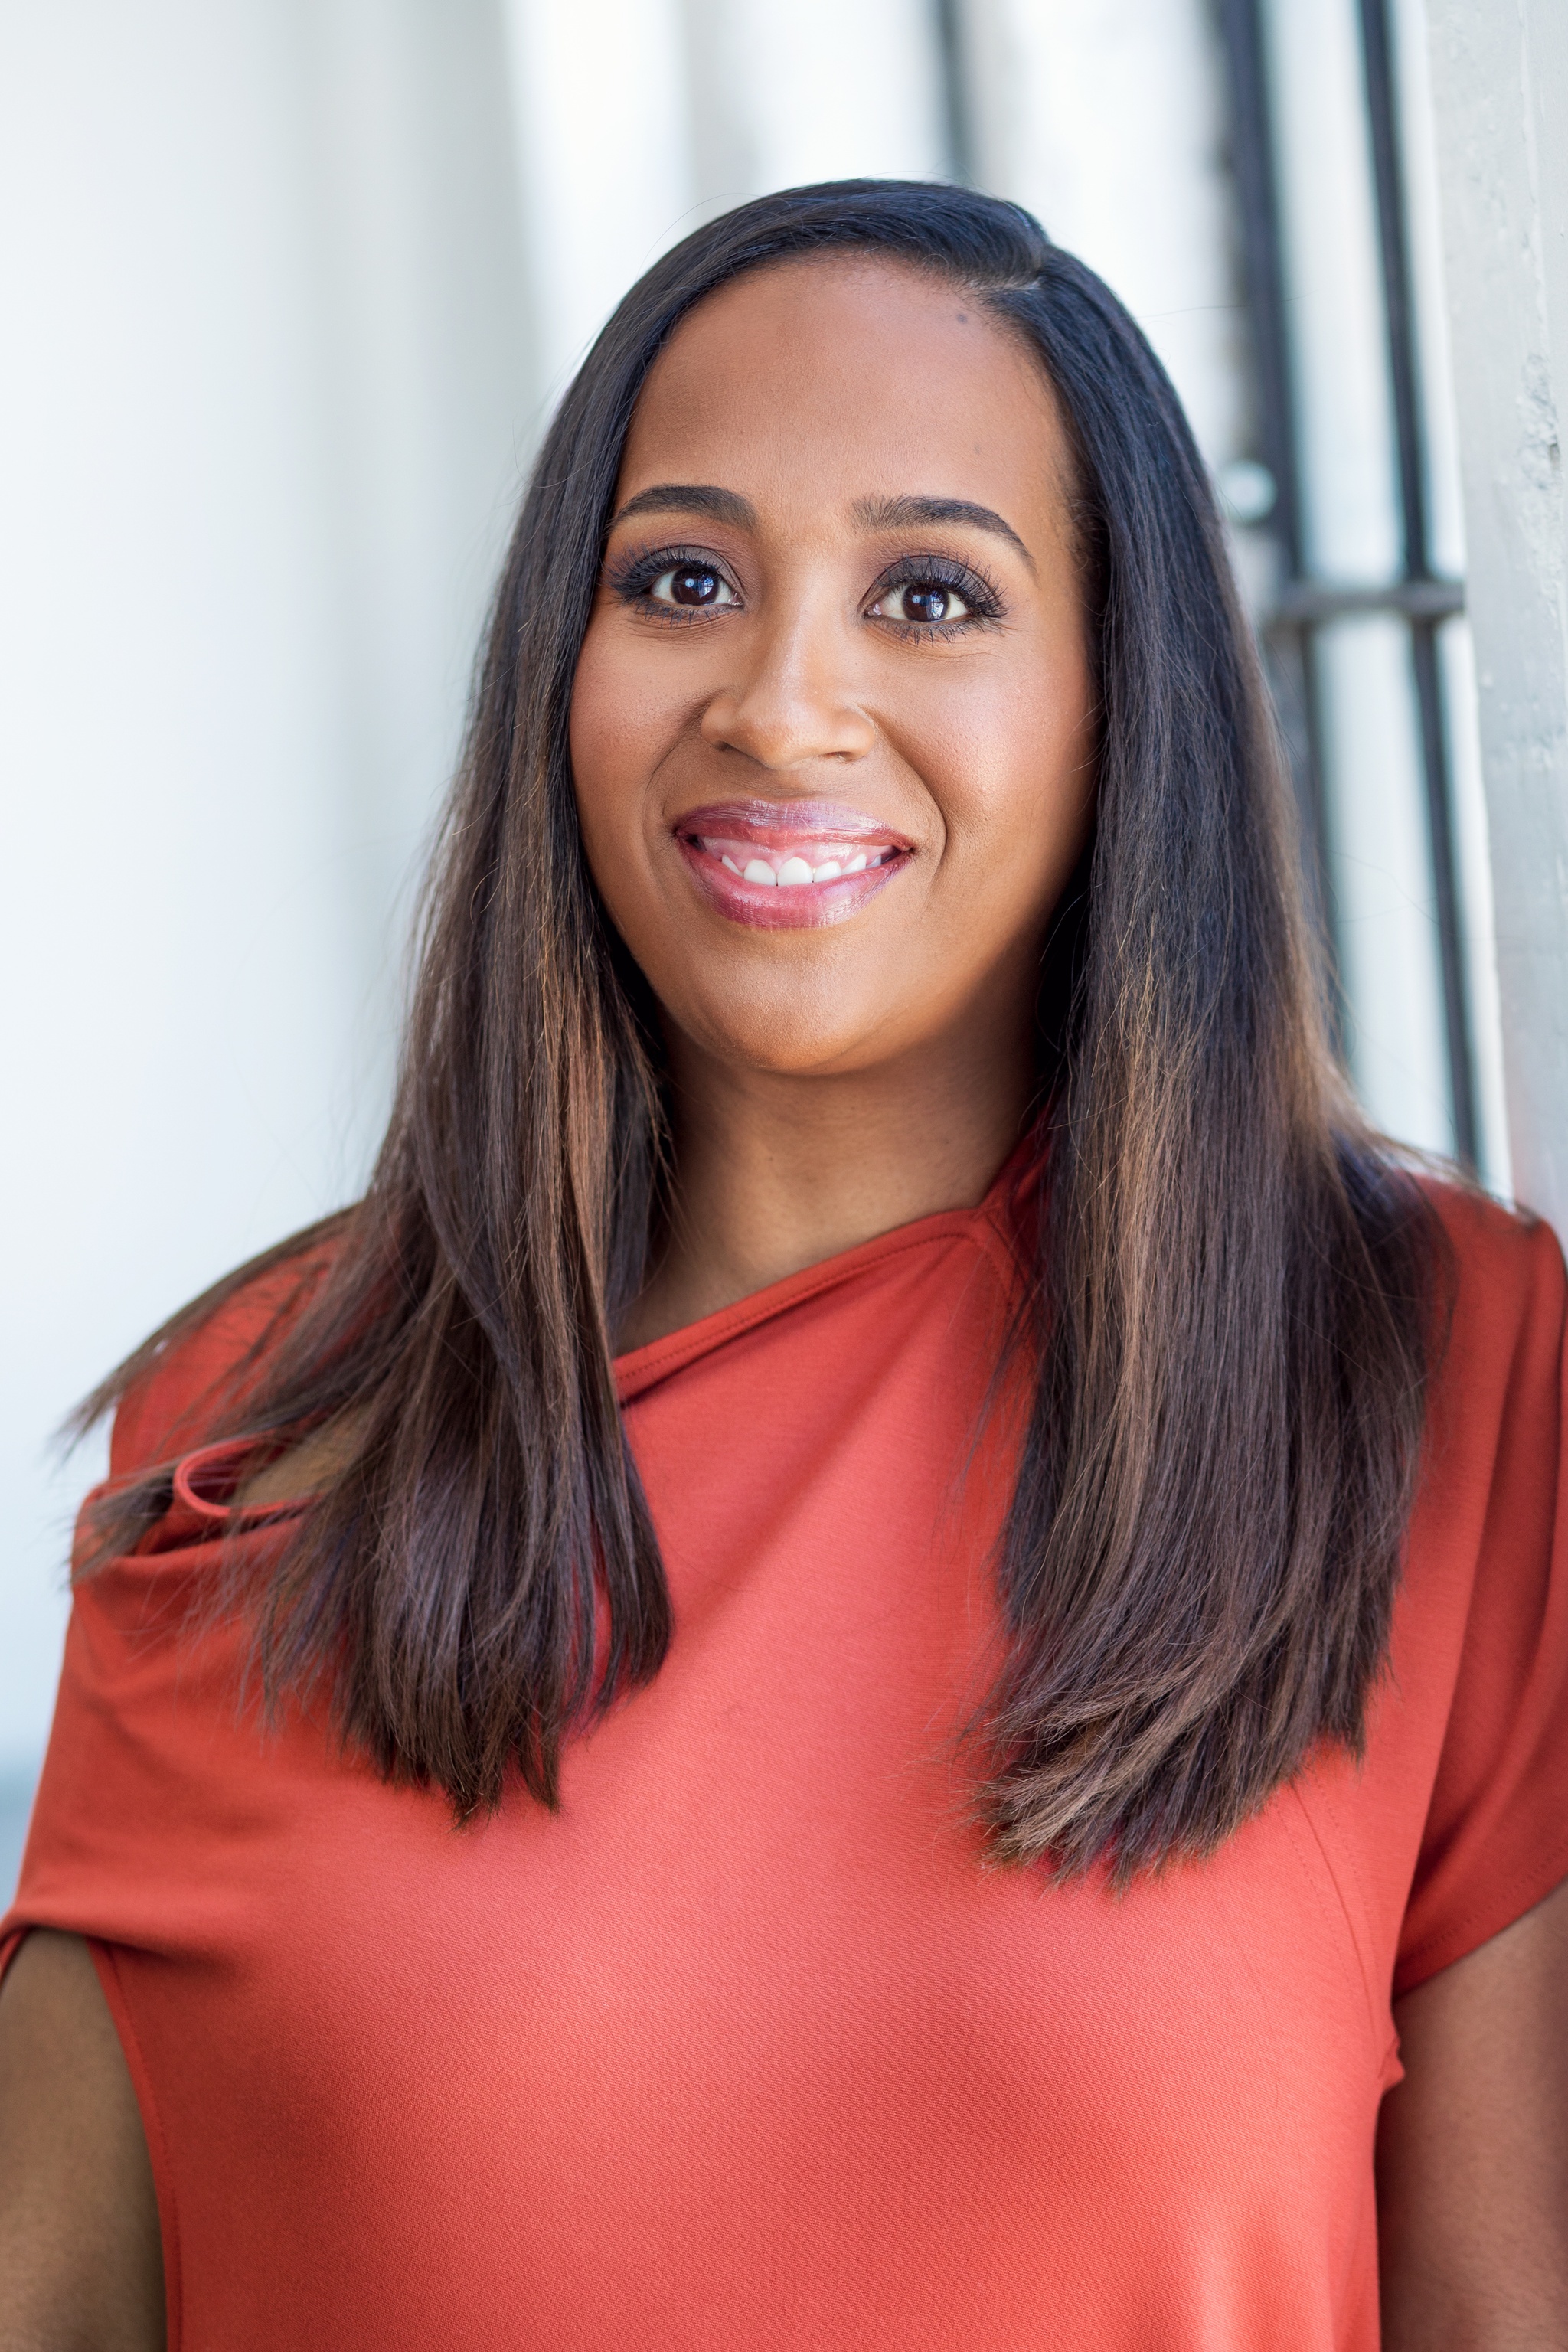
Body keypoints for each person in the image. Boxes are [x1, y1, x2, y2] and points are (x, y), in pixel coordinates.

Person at [1, 180, 1564, 2352]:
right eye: (685, 580)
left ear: (1128, 700)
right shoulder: (259, 1420)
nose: (784, 699)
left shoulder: (1444, 1375)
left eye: (932, 594)